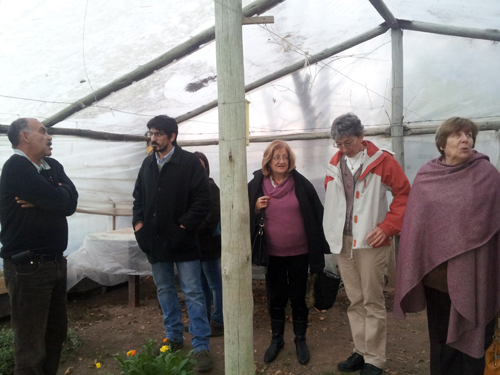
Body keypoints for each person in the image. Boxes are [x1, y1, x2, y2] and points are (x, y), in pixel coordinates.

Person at [394, 117, 500, 375]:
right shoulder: (427, 175)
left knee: (475, 335)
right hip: (438, 277)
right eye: (457, 135)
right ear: (442, 144)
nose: (465, 139)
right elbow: (417, 226)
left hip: (476, 272)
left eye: (469, 135)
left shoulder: (487, 175)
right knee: (441, 339)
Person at [322, 113, 410, 375]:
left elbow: (404, 194)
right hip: (344, 241)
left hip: (371, 240)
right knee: (354, 299)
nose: (343, 149)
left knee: (372, 300)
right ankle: (360, 351)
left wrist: (388, 227)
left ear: (361, 137)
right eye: (338, 144)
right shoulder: (335, 163)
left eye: (348, 142)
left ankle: (375, 359)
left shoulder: (382, 161)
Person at [132, 115, 213, 372]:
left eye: (157, 134)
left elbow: (202, 201)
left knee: (193, 293)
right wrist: (139, 228)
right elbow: (138, 200)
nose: (152, 138)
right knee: (165, 290)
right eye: (151, 133)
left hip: (183, 241)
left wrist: (182, 227)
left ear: (172, 136)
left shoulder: (189, 163)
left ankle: (201, 345)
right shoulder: (147, 164)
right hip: (154, 243)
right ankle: (173, 337)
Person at [0, 118, 78, 375]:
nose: (49, 136)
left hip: (54, 262)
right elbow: (57, 199)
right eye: (43, 131)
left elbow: (70, 202)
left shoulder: (52, 165)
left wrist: (50, 196)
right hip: (28, 267)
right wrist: (53, 195)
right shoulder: (16, 168)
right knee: (31, 346)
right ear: (24, 137)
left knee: (55, 334)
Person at [248, 140, 330, 365]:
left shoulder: (301, 184)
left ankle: (300, 339)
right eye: (276, 157)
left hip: (299, 252)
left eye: (285, 157)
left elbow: (316, 213)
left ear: (290, 160)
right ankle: (277, 340)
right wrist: (255, 208)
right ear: (268, 161)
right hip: (272, 252)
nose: (281, 161)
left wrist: (324, 244)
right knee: (276, 296)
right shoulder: (257, 183)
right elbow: (243, 210)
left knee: (297, 296)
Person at [194, 151, 224, 337]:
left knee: (215, 284)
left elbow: (214, 213)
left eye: (201, 163)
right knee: (201, 285)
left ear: (206, 166)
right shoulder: (190, 188)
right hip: (195, 245)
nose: (198, 167)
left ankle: (219, 320)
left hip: (209, 244)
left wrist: (197, 226)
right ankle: (205, 319)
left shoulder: (211, 187)